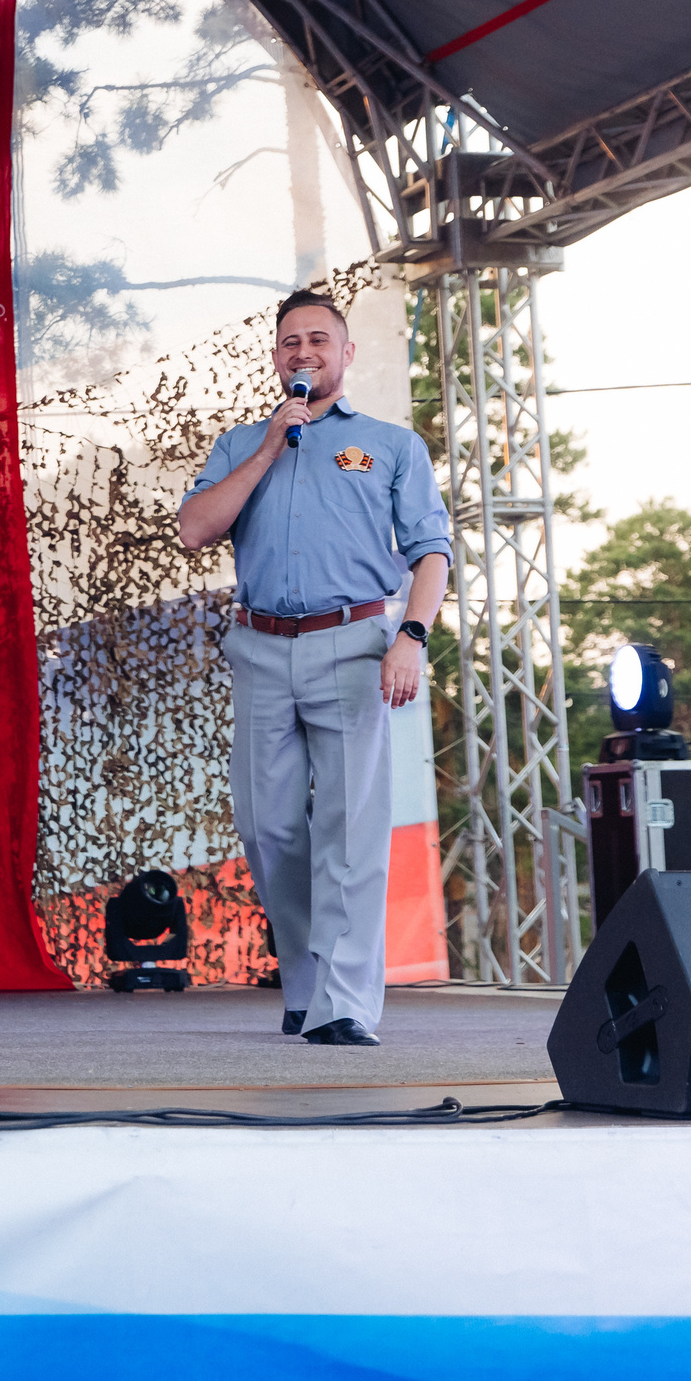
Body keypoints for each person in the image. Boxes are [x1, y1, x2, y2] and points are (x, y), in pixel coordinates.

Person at [178, 288, 450, 1047]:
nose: (305, 352)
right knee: (270, 831)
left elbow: (432, 554)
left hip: (356, 642)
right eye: (291, 342)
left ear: (346, 353)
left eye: (320, 340)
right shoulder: (241, 444)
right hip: (261, 646)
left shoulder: (391, 446)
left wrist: (412, 637)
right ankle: (305, 978)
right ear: (276, 358)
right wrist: (270, 445)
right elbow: (196, 529)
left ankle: (344, 1003)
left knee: (350, 829)